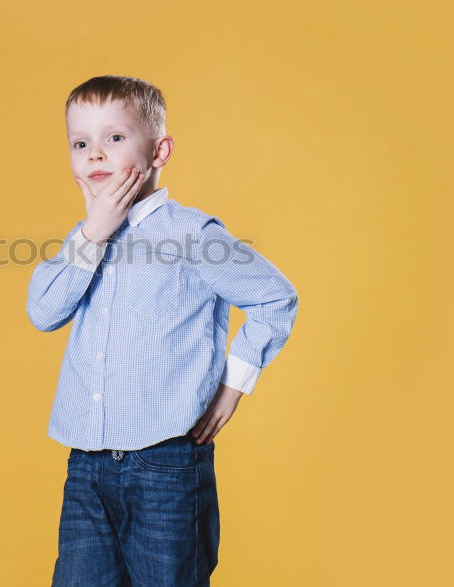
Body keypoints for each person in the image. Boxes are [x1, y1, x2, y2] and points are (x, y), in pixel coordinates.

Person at [27, 75, 299, 586]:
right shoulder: (85, 239)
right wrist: (93, 233)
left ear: (159, 150)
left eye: (114, 138)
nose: (96, 155)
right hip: (88, 466)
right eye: (80, 143)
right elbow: (43, 312)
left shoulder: (191, 235)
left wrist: (233, 384)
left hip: (165, 465)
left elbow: (274, 296)